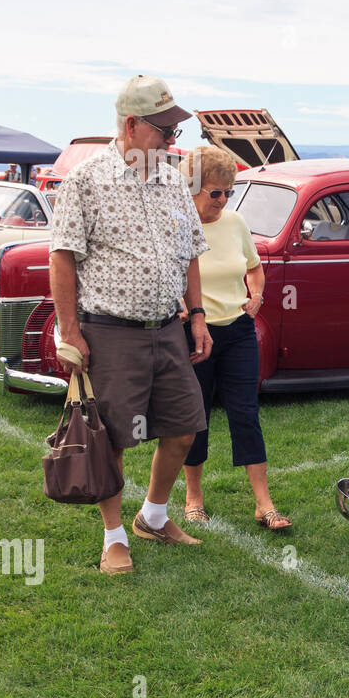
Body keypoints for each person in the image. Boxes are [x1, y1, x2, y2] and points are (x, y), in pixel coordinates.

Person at [49, 75, 211, 576]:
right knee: (114, 438)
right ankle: (114, 537)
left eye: (175, 127)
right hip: (110, 332)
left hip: (167, 328)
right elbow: (62, 258)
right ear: (132, 124)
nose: (171, 138)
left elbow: (190, 253)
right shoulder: (86, 179)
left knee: (184, 427)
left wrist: (199, 314)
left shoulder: (172, 179)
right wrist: (70, 331)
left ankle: (154, 516)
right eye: (163, 128)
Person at [178, 146, 291, 531]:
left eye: (229, 191)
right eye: (215, 192)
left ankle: (264, 504)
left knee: (246, 413)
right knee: (198, 417)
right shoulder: (176, 227)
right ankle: (193, 499)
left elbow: (255, 269)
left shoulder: (236, 222)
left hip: (238, 331)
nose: (224, 200)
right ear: (190, 189)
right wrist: (182, 309)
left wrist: (256, 297)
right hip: (194, 334)